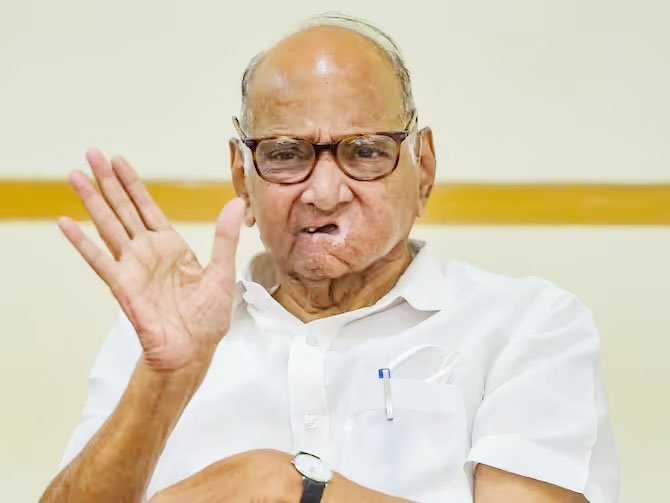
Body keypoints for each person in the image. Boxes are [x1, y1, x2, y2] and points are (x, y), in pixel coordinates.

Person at [40, 13, 618, 503]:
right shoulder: (161, 336)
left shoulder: (526, 324)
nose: (323, 192)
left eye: (364, 152)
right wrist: (164, 381)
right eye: (285, 154)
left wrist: (293, 489)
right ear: (242, 179)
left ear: (424, 169)